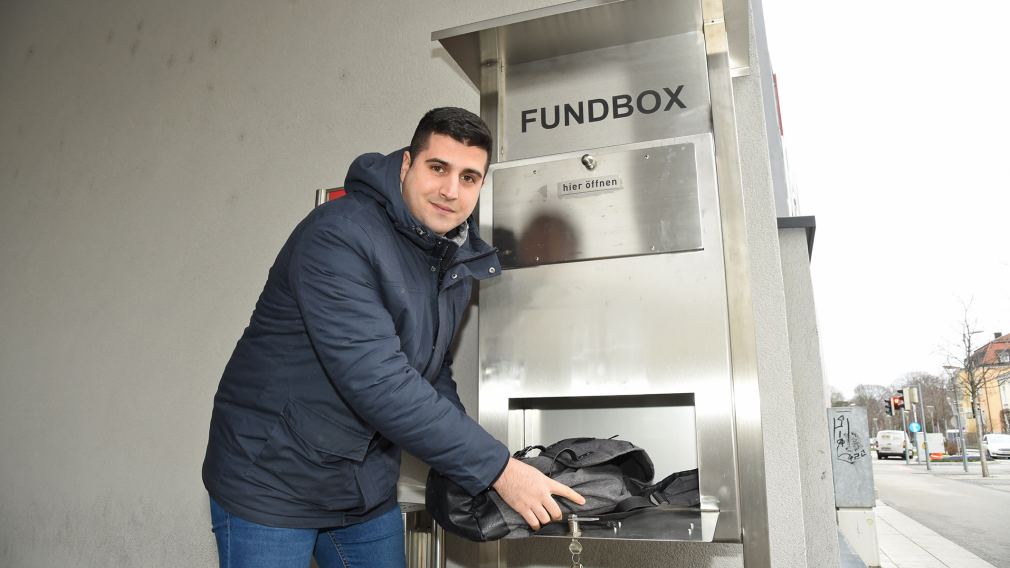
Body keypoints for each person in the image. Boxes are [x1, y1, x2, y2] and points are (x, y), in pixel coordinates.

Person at [202, 107, 584, 568]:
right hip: (272, 477)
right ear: (406, 165)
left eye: (468, 177)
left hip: (362, 480)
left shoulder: (450, 257)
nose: (450, 190)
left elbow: (430, 370)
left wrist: (466, 466)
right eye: (437, 168)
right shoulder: (339, 236)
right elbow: (380, 383)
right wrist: (497, 469)